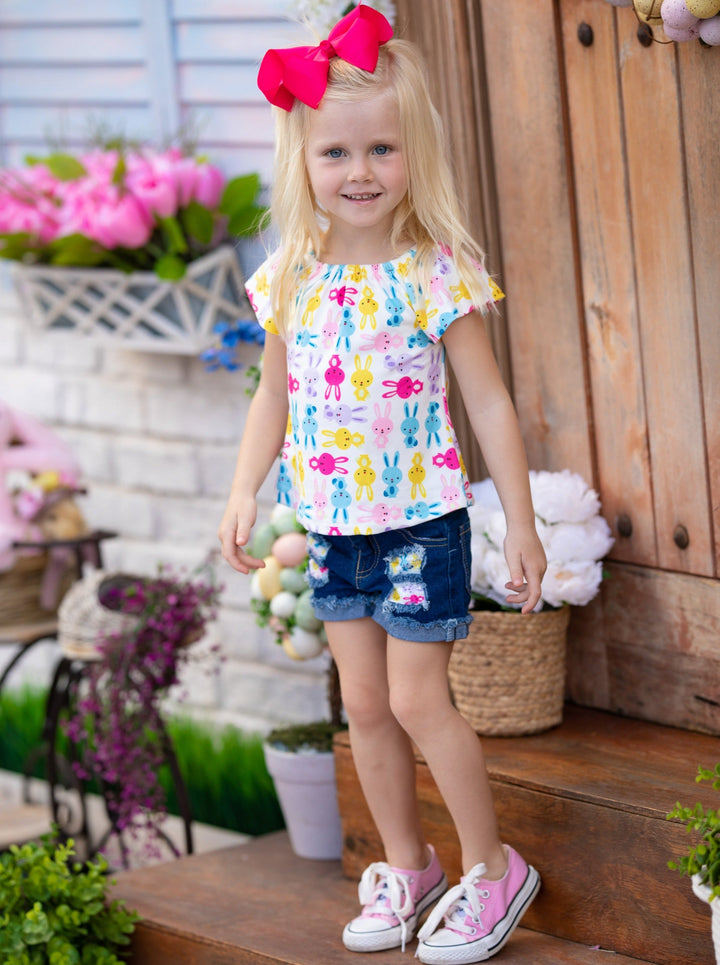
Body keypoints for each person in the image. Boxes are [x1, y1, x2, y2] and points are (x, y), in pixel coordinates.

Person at [218, 6, 547, 962]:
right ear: (302, 158)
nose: (359, 172)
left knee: (416, 701)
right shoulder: (289, 279)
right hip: (331, 523)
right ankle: (410, 865)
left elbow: (488, 403)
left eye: (381, 149)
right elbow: (271, 396)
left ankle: (493, 867)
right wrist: (246, 487)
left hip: (419, 523)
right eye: (336, 153)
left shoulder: (433, 271)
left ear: (414, 155)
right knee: (361, 704)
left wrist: (516, 522)